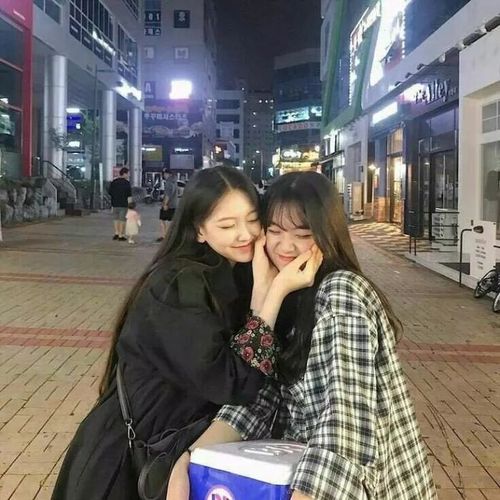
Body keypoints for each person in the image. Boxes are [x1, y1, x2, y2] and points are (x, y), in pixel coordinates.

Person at [51, 167, 319, 500]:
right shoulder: (178, 285)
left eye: (253, 220)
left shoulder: (235, 272)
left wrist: (263, 288)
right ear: (199, 230)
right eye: (227, 225)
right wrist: (273, 293)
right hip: (133, 460)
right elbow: (234, 383)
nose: (245, 234)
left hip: (179, 451)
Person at [169, 171, 437, 500]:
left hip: (369, 486)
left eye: (303, 234)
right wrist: (193, 457)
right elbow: (258, 398)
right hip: (303, 474)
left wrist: (308, 494)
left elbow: (345, 419)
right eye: (274, 231)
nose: (286, 246)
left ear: (327, 235)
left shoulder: (342, 292)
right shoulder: (289, 291)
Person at [108, 167, 132, 241]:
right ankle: (121, 235)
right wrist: (130, 205)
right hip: (123, 204)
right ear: (124, 174)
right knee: (122, 220)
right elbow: (129, 195)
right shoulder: (127, 183)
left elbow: (110, 192)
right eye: (128, 174)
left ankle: (116, 233)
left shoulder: (114, 182)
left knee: (116, 219)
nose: (128, 175)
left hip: (114, 203)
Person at [157, 168, 178, 242]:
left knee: (162, 220)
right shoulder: (174, 181)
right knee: (170, 221)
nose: (163, 175)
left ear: (167, 174)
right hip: (174, 204)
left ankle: (164, 236)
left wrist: (165, 204)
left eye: (164, 174)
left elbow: (168, 194)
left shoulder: (169, 182)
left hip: (168, 204)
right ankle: (170, 236)